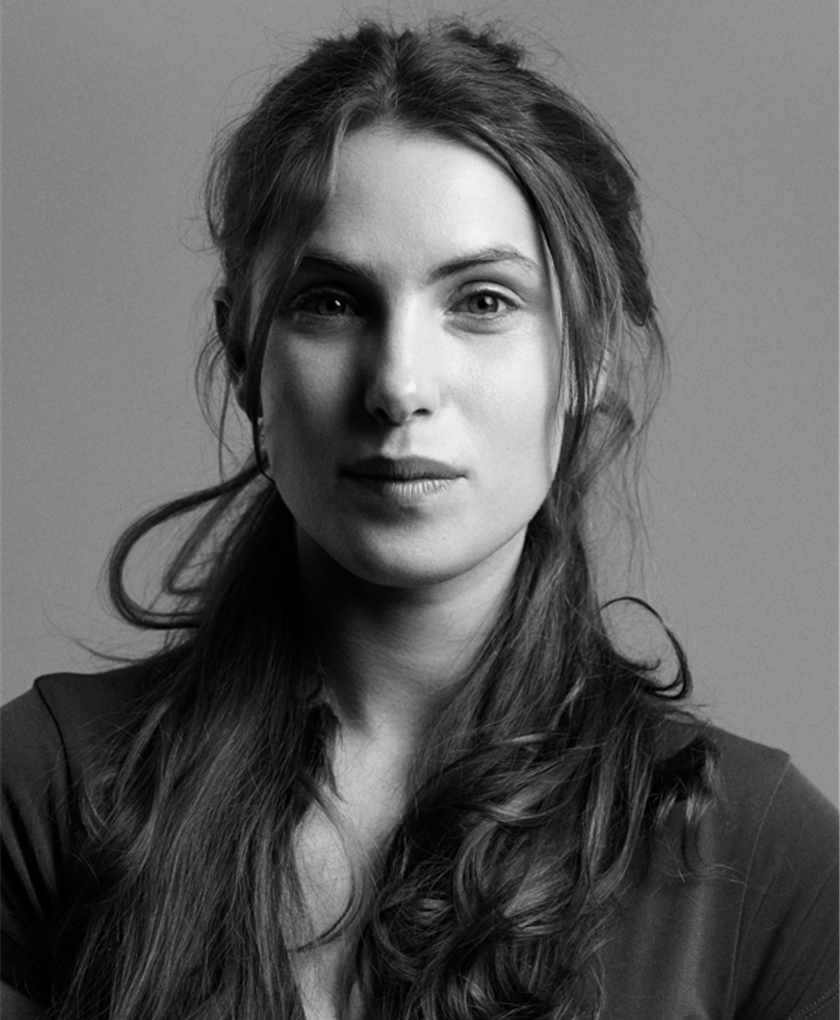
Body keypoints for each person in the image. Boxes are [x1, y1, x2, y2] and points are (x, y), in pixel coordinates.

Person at [1, 18, 837, 1020]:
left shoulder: (765, 861)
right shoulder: (45, 789)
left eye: (482, 301)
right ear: (245, 357)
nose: (400, 385)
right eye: (332, 302)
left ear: (590, 358)